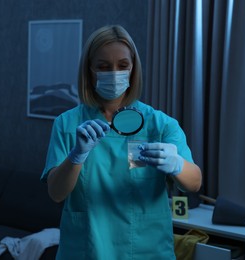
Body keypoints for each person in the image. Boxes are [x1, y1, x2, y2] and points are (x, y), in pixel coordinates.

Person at [40, 24, 202, 260]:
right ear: (90, 70)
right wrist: (76, 155)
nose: (114, 73)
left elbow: (194, 182)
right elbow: (56, 193)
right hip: (87, 249)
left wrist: (176, 164)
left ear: (133, 68)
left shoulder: (160, 125)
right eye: (103, 66)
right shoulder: (67, 124)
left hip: (146, 250)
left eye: (122, 65)